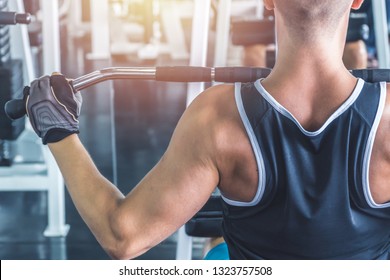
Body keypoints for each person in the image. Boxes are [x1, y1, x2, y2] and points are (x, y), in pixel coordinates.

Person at [25, 0, 390, 260]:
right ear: (358, 1)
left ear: (267, 2)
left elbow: (123, 237)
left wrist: (58, 131)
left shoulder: (217, 118)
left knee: (213, 242)